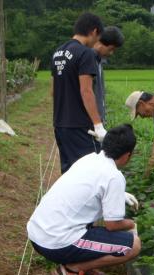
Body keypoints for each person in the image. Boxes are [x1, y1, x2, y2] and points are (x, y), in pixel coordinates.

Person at [27, 124, 141, 275]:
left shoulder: (89, 159)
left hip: (38, 233)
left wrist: (120, 194)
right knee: (133, 245)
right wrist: (132, 224)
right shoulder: (114, 177)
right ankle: (72, 269)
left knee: (89, 218)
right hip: (55, 242)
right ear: (127, 155)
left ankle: (85, 262)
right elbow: (112, 224)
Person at [51, 13, 106, 174]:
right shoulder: (85, 53)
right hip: (81, 126)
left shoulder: (57, 53)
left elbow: (53, 91)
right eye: (98, 38)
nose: (96, 43)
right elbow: (86, 90)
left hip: (60, 124)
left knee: (69, 173)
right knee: (88, 174)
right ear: (94, 31)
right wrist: (98, 125)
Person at [90, 26, 125, 128]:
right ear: (100, 43)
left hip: (97, 121)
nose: (111, 53)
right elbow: (86, 92)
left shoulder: (99, 61)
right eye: (111, 49)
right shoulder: (89, 60)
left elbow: (99, 93)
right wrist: (97, 124)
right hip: (89, 123)